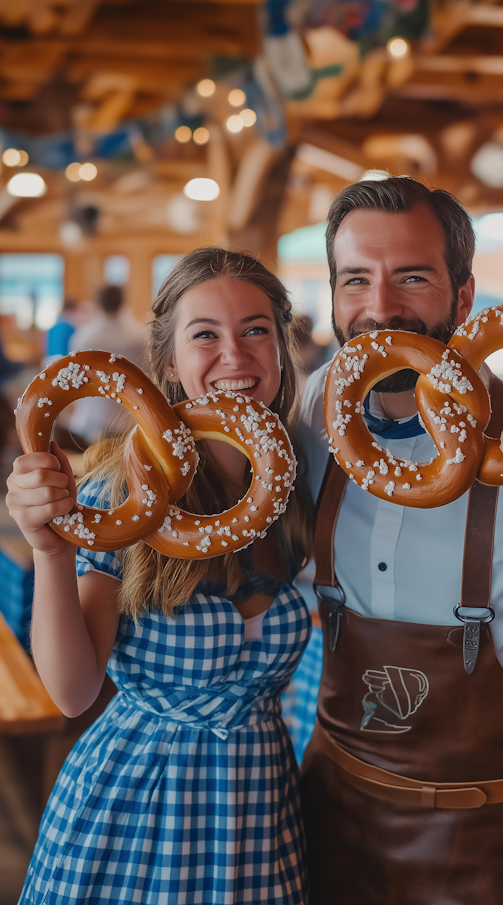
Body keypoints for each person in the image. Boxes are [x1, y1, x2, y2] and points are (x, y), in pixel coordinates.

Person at [296, 177, 503, 905]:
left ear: (463, 297)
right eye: (356, 278)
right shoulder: (311, 413)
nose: (380, 307)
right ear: (332, 294)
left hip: (491, 854)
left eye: (411, 277)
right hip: (323, 830)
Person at [7, 248, 313, 904]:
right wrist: (52, 550)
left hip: (259, 807)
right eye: (205, 334)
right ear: (170, 362)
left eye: (256, 329)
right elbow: (72, 690)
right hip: (135, 805)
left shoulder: (301, 485)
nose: (235, 353)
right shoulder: (129, 484)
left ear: (281, 350)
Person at [67, 284, 147, 442]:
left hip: (92, 420)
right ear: (122, 302)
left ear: (98, 303)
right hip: (129, 420)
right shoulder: (139, 337)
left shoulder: (83, 337)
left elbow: (75, 380)